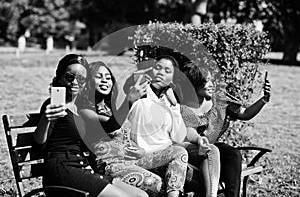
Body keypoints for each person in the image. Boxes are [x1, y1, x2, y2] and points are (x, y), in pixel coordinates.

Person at [33, 54, 148, 197]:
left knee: (140, 195)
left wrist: (129, 101)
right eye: (70, 77)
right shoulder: (54, 105)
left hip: (81, 166)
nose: (75, 82)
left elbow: (111, 125)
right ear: (59, 78)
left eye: (81, 78)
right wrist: (45, 118)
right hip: (62, 168)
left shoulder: (80, 109)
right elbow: (39, 145)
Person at [80, 61, 189, 197]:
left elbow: (125, 134)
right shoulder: (85, 111)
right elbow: (111, 125)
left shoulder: (112, 107)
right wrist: (129, 100)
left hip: (131, 160)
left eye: (108, 78)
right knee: (156, 182)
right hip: (110, 165)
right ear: (89, 81)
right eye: (99, 77)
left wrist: (139, 149)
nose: (104, 81)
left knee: (179, 151)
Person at [123, 55, 220, 197]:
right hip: (148, 154)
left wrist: (174, 106)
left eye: (167, 71)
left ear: (173, 79)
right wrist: (130, 98)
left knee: (211, 150)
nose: (161, 72)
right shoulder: (139, 93)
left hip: (167, 149)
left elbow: (178, 136)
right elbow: (120, 124)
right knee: (195, 176)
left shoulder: (169, 100)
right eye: (157, 68)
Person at [180, 61, 271, 197]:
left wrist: (264, 99)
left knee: (233, 154)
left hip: (213, 148)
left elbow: (245, 114)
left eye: (212, 80)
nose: (212, 85)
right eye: (206, 82)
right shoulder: (184, 108)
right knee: (213, 152)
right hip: (192, 151)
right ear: (194, 85)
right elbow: (188, 133)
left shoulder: (220, 101)